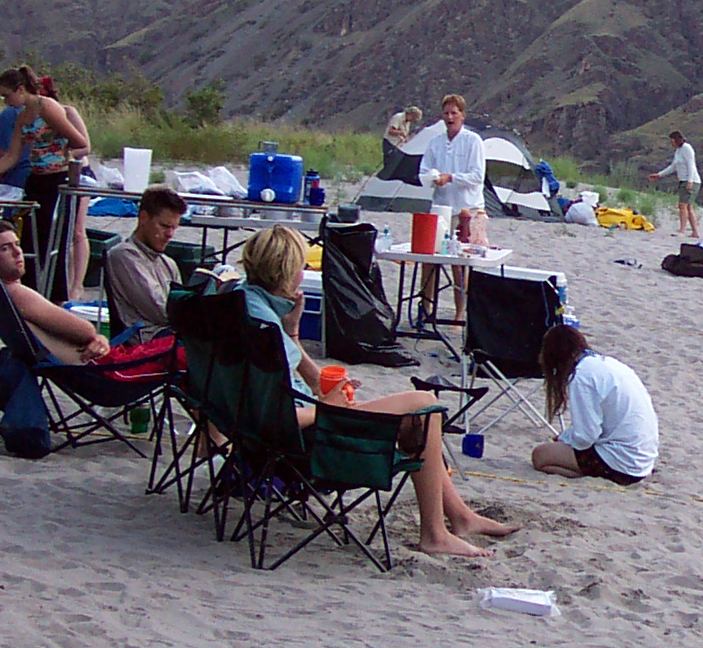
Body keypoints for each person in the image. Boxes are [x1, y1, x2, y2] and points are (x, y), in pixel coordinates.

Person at [239, 225, 515, 558]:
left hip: (289, 429)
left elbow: (288, 376)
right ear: (284, 273)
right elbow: (274, 417)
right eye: (300, 266)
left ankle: (458, 517)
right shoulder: (263, 330)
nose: (303, 272)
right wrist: (328, 407)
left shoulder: (247, 306)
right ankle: (436, 534)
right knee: (425, 407)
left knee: (417, 421)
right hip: (307, 438)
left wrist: (294, 331)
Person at [0, 66, 93, 296]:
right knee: (30, 240)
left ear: (21, 89)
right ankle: (30, 292)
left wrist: (60, 156)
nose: (6, 102)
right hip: (35, 179)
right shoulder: (22, 117)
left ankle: (56, 295)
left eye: (7, 96)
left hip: (57, 179)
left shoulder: (47, 107)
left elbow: (79, 142)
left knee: (53, 240)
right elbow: (13, 155)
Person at [530, 325, 658, 485]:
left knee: (540, 456)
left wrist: (565, 440)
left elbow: (585, 438)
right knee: (560, 445)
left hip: (622, 464)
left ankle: (588, 476)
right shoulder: (608, 364)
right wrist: (566, 438)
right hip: (642, 460)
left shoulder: (582, 377)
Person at [0, 219, 108, 364]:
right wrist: (99, 338)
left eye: (17, 244)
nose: (17, 253)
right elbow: (85, 331)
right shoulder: (15, 293)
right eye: (5, 248)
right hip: (94, 370)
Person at [414, 92, 489, 313]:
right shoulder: (435, 142)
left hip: (466, 208)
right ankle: (425, 310)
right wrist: (433, 178)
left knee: (460, 263)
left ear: (462, 115)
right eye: (446, 113)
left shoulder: (473, 141)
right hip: (440, 208)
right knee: (429, 259)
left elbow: (477, 176)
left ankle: (459, 312)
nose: (450, 117)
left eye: (454, 113)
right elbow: (424, 171)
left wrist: (452, 177)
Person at [103, 185, 187, 332]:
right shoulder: (123, 256)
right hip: (146, 341)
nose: (170, 234)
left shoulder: (168, 263)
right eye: (164, 226)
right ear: (143, 218)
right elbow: (161, 312)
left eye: (174, 228)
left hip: (173, 335)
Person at [647, 131, 701, 238]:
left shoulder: (687, 148)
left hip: (690, 180)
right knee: (688, 207)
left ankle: (682, 231)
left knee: (683, 205)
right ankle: (695, 232)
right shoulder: (678, 151)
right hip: (683, 180)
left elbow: (691, 165)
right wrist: (659, 175)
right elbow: (673, 167)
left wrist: (690, 180)